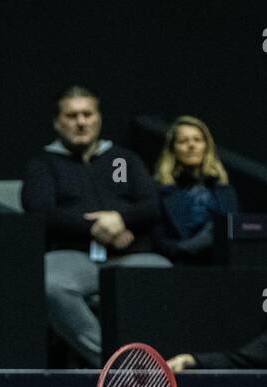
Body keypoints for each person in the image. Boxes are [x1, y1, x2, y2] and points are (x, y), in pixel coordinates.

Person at [21, 86, 170, 367]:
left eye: (87, 114)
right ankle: (114, 366)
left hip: (129, 256)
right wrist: (92, 226)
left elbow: (151, 206)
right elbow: (40, 211)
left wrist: (119, 220)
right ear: (57, 122)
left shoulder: (124, 159)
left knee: (163, 274)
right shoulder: (43, 164)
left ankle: (160, 363)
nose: (81, 122)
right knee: (49, 284)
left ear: (98, 118)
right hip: (72, 257)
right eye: (72, 115)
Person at [151, 116, 239, 263]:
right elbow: (157, 239)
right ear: (173, 149)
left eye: (197, 140)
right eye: (183, 141)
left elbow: (236, 233)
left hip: (220, 264)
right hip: (178, 263)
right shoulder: (159, 190)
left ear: (207, 146)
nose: (191, 145)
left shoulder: (224, 190)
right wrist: (184, 248)